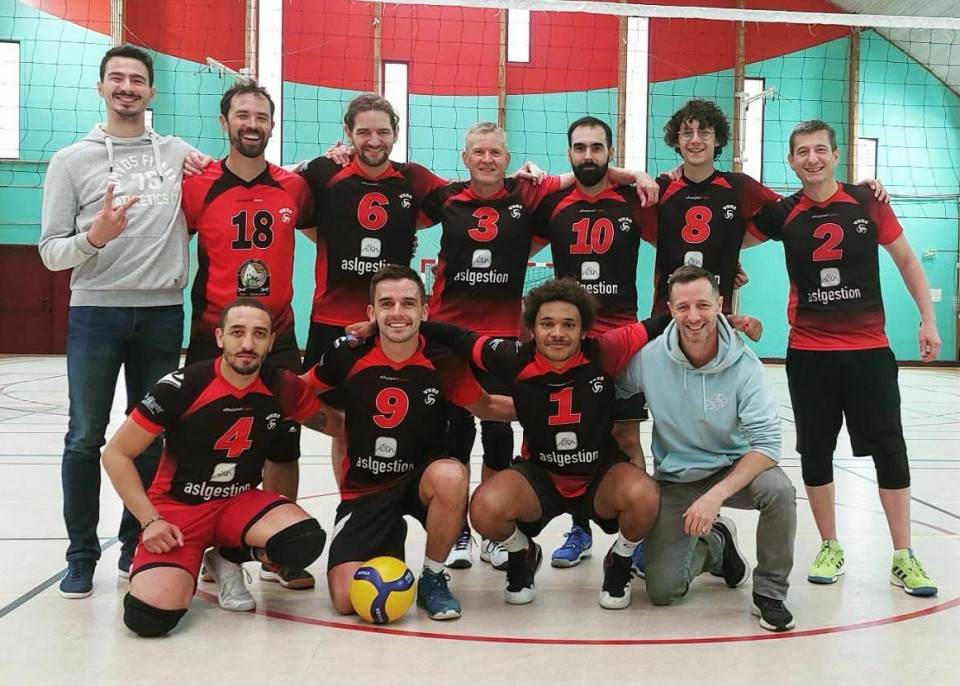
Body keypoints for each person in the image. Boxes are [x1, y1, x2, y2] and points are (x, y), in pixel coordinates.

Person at [39, 44, 203, 598]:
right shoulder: (71, 160)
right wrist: (94, 238)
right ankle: (81, 556)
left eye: (137, 79)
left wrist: (322, 162)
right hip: (95, 311)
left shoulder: (175, 151)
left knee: (151, 437)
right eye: (118, 78)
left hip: (161, 312)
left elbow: (238, 174)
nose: (127, 87)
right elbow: (50, 253)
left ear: (151, 92)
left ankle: (136, 543)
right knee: (85, 436)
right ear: (102, 87)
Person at [752, 119, 941, 597]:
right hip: (809, 353)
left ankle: (903, 554)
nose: (811, 159)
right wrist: (728, 266)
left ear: (836, 155)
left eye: (820, 150)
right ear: (791, 161)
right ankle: (830, 545)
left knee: (890, 449)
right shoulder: (784, 212)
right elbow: (725, 237)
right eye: (801, 152)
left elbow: (906, 260)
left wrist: (928, 319)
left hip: (869, 350)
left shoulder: (867, 201)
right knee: (815, 450)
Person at [411, 279, 674, 610]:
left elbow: (659, 323)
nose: (558, 333)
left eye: (569, 324)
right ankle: (522, 552)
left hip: (599, 475)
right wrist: (408, 323)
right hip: (541, 476)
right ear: (532, 328)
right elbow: (462, 339)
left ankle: (619, 560)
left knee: (647, 497)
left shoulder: (605, 349)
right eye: (547, 324)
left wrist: (726, 319)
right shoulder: (513, 357)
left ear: (583, 330)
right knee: (483, 508)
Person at [102, 299, 341, 637]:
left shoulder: (281, 385)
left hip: (238, 503)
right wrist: (151, 520)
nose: (247, 344)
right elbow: (116, 454)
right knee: (148, 619)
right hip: (178, 510)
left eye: (259, 334)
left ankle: (226, 557)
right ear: (219, 338)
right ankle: (190, 557)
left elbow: (337, 426)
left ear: (272, 342)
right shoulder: (183, 386)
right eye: (237, 333)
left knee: (304, 541)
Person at [303, 265, 516, 621]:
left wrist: (546, 409)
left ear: (425, 311)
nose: (397, 313)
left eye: (407, 303)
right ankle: (388, 533)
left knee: (450, 474)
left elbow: (488, 405)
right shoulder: (349, 352)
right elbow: (301, 391)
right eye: (387, 304)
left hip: (422, 482)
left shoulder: (442, 358)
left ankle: (432, 577)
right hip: (366, 489)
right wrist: (334, 425)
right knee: (346, 601)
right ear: (371, 313)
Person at [181, 79, 318, 594]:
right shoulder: (195, 185)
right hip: (211, 335)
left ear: (272, 124)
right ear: (224, 123)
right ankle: (210, 549)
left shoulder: (294, 188)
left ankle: (276, 551)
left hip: (278, 336)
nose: (252, 124)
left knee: (284, 445)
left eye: (261, 116)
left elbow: (325, 237)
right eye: (242, 115)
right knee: (206, 447)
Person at [615, 266, 796, 632]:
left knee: (779, 490)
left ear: (720, 304)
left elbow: (768, 446)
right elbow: (616, 393)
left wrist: (715, 496)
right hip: (676, 476)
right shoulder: (650, 359)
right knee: (662, 591)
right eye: (683, 307)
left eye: (702, 305)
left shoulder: (746, 367)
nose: (693, 317)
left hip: (733, 468)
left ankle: (770, 594)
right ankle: (717, 544)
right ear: (670, 308)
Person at [532, 116, 655, 569]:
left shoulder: (633, 199)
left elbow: (682, 238)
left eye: (597, 147)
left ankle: (637, 537)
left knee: (625, 433)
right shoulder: (553, 203)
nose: (588, 155)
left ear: (609, 152)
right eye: (580, 148)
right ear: (569, 154)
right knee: (573, 437)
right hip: (569, 341)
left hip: (623, 336)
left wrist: (722, 273)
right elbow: (512, 247)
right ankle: (579, 529)